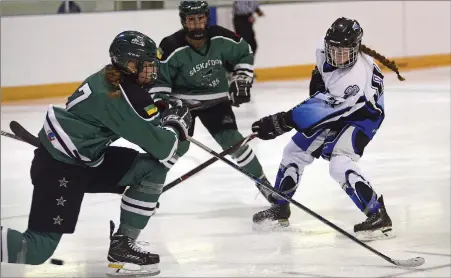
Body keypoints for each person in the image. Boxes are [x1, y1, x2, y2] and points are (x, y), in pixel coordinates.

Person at [0, 30, 192, 276]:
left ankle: (122, 248)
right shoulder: (115, 97)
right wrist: (175, 125)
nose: (152, 71)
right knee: (37, 249)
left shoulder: (111, 78)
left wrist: (161, 111)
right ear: (130, 64)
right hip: (60, 170)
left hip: (84, 160)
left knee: (150, 171)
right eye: (147, 64)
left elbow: (141, 113)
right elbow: (164, 149)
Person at [250, 17, 405, 241]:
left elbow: (320, 110)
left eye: (344, 51)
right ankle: (281, 207)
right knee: (293, 151)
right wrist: (319, 81)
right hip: (339, 104)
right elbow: (324, 86)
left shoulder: (353, 78)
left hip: (364, 115)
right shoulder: (322, 50)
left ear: (356, 47)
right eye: (334, 50)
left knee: (339, 163)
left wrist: (280, 121)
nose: (338, 56)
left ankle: (378, 215)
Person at [150, 1, 272, 201]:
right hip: (181, 104)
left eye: (200, 18)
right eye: (191, 20)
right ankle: (148, 191)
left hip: (216, 100)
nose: (197, 24)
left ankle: (266, 186)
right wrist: (162, 105)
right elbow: (159, 80)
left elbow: (245, 52)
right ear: (183, 21)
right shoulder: (170, 46)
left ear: (207, 18)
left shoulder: (222, 38)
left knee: (234, 143)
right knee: (172, 148)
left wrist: (241, 76)